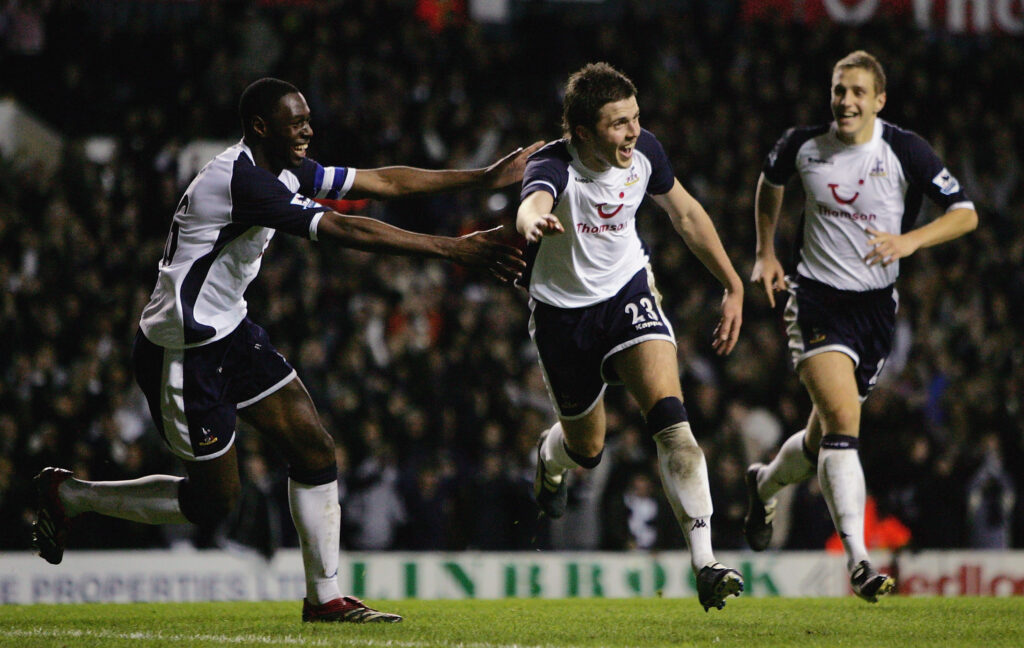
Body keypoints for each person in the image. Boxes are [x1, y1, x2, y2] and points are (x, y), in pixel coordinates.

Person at [32, 77, 541, 623]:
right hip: (183, 352)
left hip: (231, 331)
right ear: (260, 127)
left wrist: (482, 177)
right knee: (213, 504)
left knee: (315, 449)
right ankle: (72, 494)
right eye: (296, 122)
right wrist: (452, 248)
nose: (308, 129)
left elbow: (381, 181)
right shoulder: (242, 181)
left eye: (306, 119)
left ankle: (325, 599)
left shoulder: (284, 167)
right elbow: (346, 228)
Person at [743, 51, 978, 602]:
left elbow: (964, 212)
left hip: (875, 312)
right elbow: (769, 182)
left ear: (879, 100)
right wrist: (765, 252)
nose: (846, 101)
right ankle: (859, 562)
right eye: (838, 90)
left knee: (819, 439)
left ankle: (763, 483)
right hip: (817, 303)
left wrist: (908, 242)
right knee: (845, 423)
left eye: (856, 92)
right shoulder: (804, 146)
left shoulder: (904, 149)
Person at [517, 62, 746, 612]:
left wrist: (732, 283)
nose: (632, 131)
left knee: (673, 425)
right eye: (617, 123)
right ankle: (548, 464)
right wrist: (531, 223)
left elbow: (686, 214)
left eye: (635, 118)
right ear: (581, 131)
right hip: (563, 318)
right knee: (587, 450)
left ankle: (706, 562)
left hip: (627, 296)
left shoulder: (645, 154)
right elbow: (533, 202)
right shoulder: (552, 164)